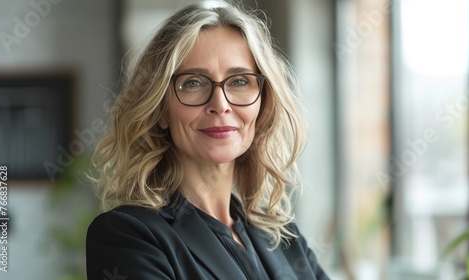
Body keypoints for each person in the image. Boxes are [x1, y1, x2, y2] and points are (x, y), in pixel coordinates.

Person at [86, 1, 330, 279]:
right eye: (193, 83)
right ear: (160, 109)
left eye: (239, 81)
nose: (220, 104)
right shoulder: (128, 236)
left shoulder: (285, 238)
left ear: (263, 103)